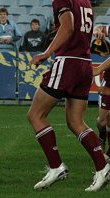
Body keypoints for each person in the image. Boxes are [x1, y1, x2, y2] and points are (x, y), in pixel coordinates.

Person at [28, 0, 110, 192]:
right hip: (84, 63)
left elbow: (68, 27)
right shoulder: (86, 1)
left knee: (35, 115)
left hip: (68, 62)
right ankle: (102, 167)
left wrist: (46, 53)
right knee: (76, 122)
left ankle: (56, 166)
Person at [92, 24, 110, 163]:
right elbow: (100, 28)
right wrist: (98, 32)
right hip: (108, 83)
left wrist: (98, 69)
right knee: (102, 121)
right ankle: (102, 135)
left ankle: (108, 155)